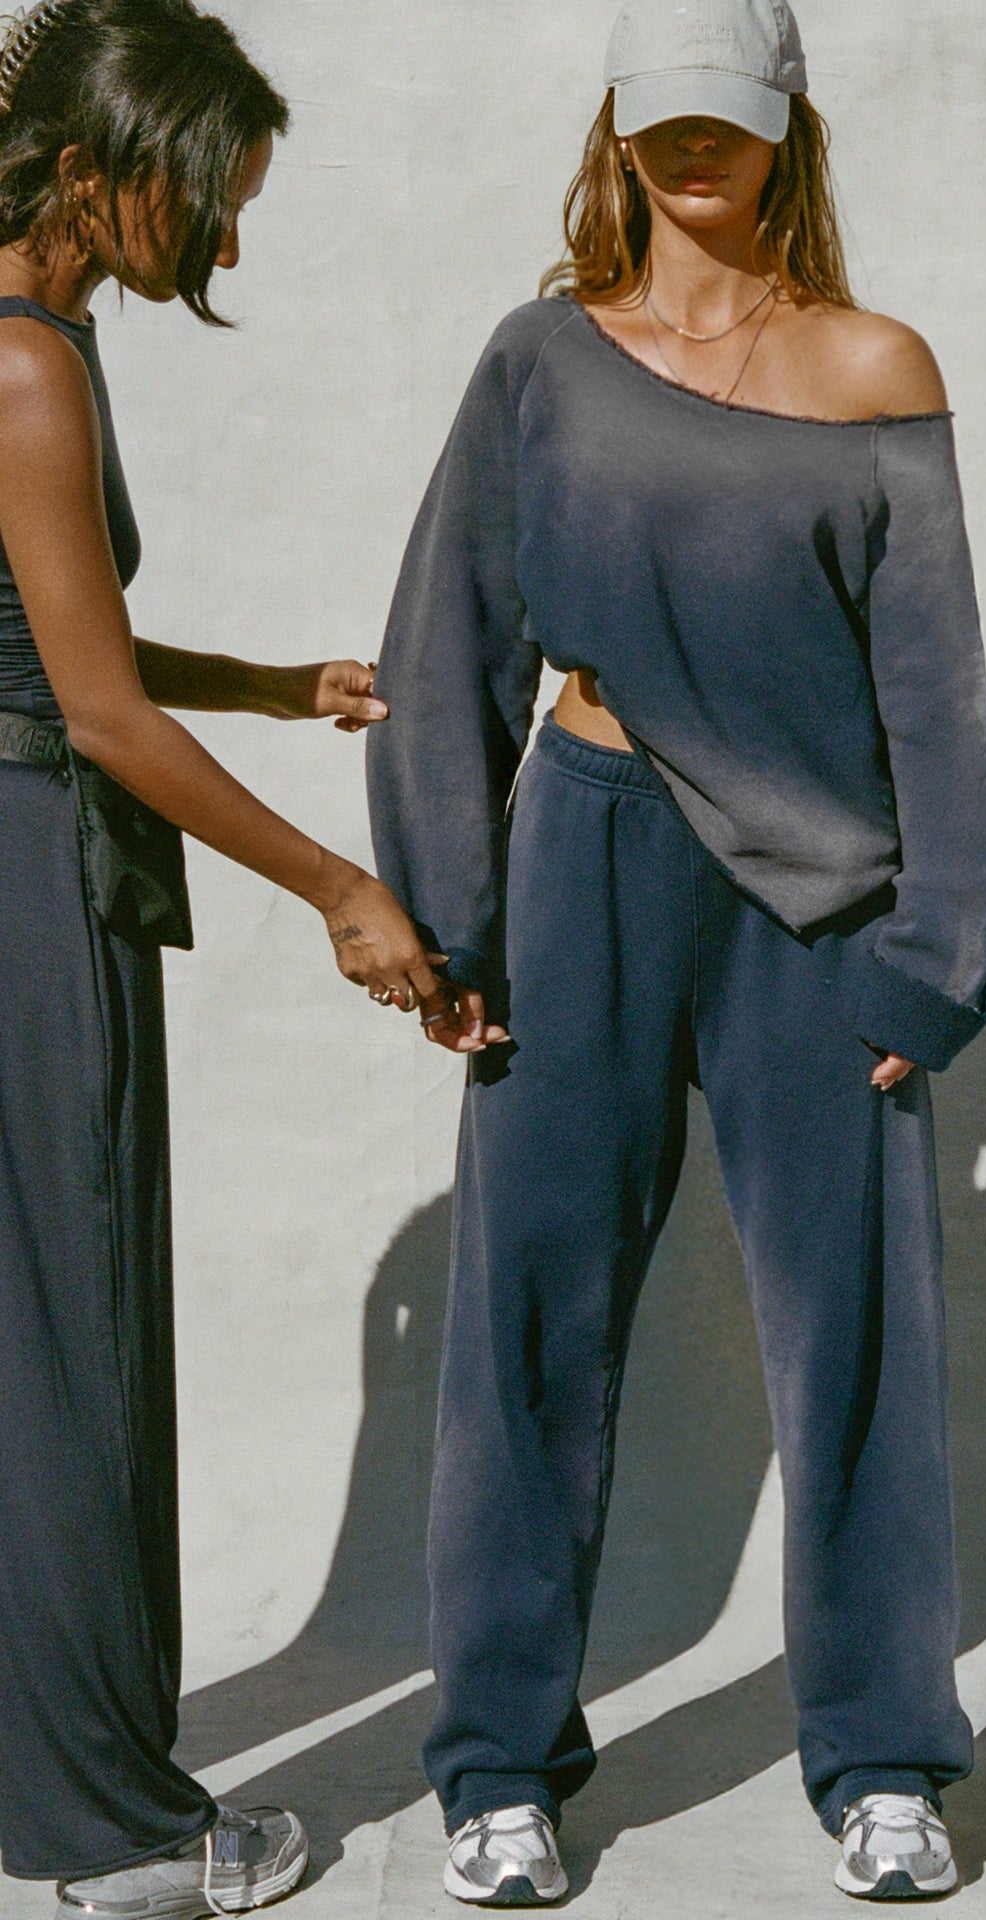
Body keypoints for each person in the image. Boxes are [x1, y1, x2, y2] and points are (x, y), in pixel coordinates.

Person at [370, 0, 986, 1902]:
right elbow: (447, 640)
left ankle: (883, 1759)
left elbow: (937, 691)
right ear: (618, 132)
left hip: (821, 909)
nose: (693, 151)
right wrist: (450, 911)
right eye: (662, 121)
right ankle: (498, 1764)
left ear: (787, 126)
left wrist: (936, 957)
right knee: (531, 1320)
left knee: (856, 1337)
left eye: (727, 118)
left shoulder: (874, 364)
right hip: (586, 857)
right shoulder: (542, 357)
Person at [0, 2, 458, 1914]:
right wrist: (341, 886)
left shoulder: (34, 334)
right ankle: (114, 1838)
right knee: (72, 1349)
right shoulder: (27, 363)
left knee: (25, 1342)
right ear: (96, 171)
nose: (229, 240)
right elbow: (93, 715)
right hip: (31, 879)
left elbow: (57, 640)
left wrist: (268, 685)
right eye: (212, 199)